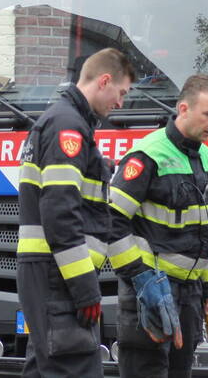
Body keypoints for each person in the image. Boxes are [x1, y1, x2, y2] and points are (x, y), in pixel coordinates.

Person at [17, 47, 135, 378]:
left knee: (45, 369)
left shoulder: (64, 122)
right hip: (60, 278)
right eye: (121, 93)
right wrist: (85, 289)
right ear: (105, 81)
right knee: (75, 367)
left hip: (49, 274)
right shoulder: (68, 127)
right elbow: (60, 215)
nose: (120, 103)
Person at [108, 74, 208, 378]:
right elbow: (111, 221)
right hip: (150, 288)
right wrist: (138, 277)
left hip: (190, 291)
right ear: (183, 109)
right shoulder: (149, 155)